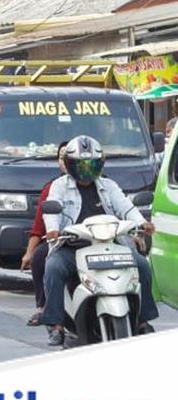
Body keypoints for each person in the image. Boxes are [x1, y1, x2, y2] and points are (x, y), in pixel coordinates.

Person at [41, 135, 159, 346]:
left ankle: (143, 320)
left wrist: (142, 224)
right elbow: (52, 209)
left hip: (110, 244)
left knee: (142, 265)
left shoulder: (108, 185)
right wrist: (52, 230)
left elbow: (126, 207)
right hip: (73, 246)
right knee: (53, 268)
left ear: (100, 164)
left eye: (91, 165)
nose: (86, 170)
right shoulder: (58, 186)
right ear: (69, 165)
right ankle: (56, 325)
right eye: (80, 165)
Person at [21, 142, 69, 327]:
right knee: (40, 257)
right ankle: (44, 308)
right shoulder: (53, 188)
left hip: (94, 239)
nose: (65, 162)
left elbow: (120, 211)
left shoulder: (103, 183)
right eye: (61, 157)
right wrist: (29, 252)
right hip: (61, 242)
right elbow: (40, 225)